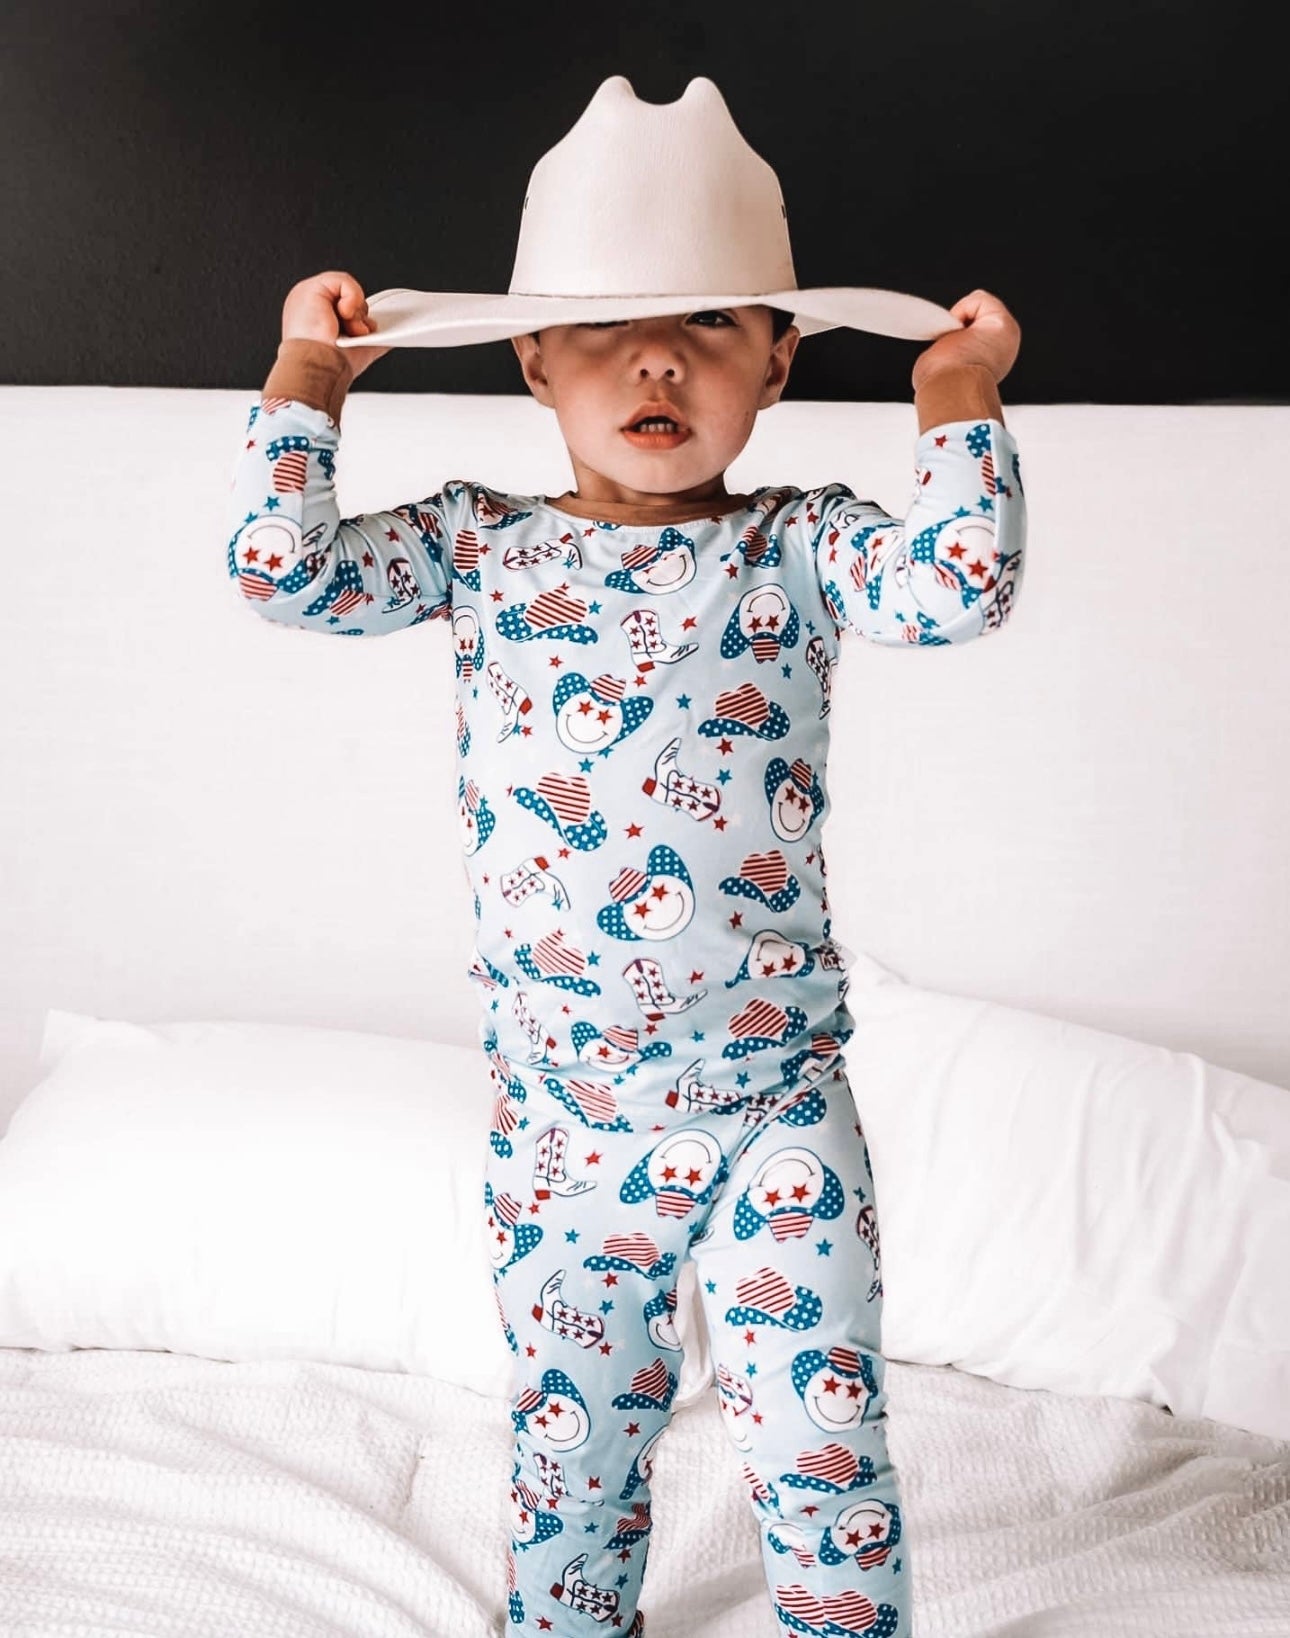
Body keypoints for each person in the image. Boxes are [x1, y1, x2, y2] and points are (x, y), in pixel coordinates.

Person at [226, 75, 1025, 1638]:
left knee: (822, 1453)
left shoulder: (803, 542)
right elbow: (282, 570)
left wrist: (952, 391)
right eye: (602, 327)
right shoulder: (476, 543)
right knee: (571, 1456)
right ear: (532, 357)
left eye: (713, 323)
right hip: (563, 1124)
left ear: (779, 359)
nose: (657, 358)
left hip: (774, 1104)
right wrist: (309, 374)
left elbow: (958, 585)